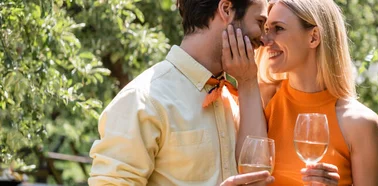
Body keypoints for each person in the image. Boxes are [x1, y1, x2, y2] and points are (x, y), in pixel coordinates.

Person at [88, 0, 275, 185]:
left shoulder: (237, 97)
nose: (265, 40)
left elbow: (258, 176)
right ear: (226, 10)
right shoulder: (142, 99)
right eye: (260, 23)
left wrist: (249, 82)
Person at [254, 0, 378, 185]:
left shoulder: (360, 124)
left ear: (313, 37)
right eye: (266, 29)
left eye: (279, 28)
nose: (265, 40)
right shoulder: (262, 99)